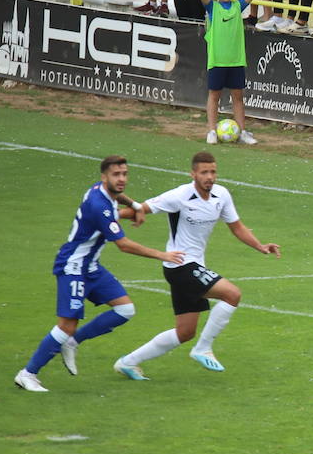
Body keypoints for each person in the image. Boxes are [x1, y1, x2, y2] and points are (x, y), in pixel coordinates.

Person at [13, 156, 183, 393]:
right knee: (66, 325)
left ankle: (73, 342)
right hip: (73, 267)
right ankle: (28, 374)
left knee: (125, 310)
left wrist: (135, 206)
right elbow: (123, 244)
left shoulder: (102, 191)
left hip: (91, 266)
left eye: (124, 174)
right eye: (116, 175)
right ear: (104, 177)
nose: (122, 179)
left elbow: (119, 198)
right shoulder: (99, 206)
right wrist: (162, 255)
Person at [114, 152, 281, 380]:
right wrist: (110, 217)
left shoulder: (221, 195)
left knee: (185, 332)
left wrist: (260, 246)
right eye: (204, 172)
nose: (209, 176)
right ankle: (203, 348)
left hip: (192, 266)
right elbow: (140, 209)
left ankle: (128, 362)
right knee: (232, 294)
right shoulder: (179, 196)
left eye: (212, 171)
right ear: (193, 174)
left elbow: (237, 227)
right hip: (179, 265)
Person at [198, 0, 258, 146]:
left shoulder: (237, 6)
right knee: (214, 96)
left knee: (238, 97)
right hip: (217, 60)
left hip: (236, 60)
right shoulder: (213, 7)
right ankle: (211, 130)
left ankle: (242, 131)